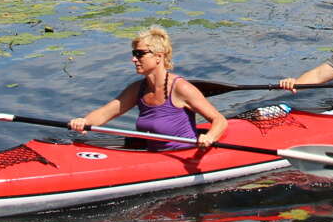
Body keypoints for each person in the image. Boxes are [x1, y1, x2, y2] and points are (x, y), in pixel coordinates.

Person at [69, 27, 228, 149]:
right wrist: (84, 121)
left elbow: (219, 120)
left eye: (140, 54)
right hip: (153, 153)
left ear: (158, 56)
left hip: (182, 153)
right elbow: (106, 112)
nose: (133, 59)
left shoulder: (181, 88)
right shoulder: (137, 88)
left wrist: (210, 137)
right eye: (134, 53)